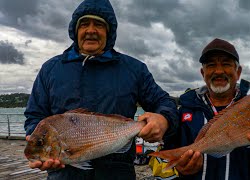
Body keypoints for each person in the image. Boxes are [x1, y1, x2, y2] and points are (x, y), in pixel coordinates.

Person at [24, 0, 178, 179]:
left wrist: (164, 119)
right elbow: (35, 116)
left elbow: (164, 102)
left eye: (98, 24)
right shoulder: (50, 69)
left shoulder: (134, 69)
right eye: (84, 24)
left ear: (109, 31)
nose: (90, 30)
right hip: (63, 174)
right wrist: (38, 143)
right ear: (75, 29)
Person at [149, 38, 250, 180]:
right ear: (202, 72)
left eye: (226, 64)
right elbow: (160, 168)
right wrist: (180, 170)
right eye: (211, 65)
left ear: (238, 72)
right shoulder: (182, 113)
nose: (218, 71)